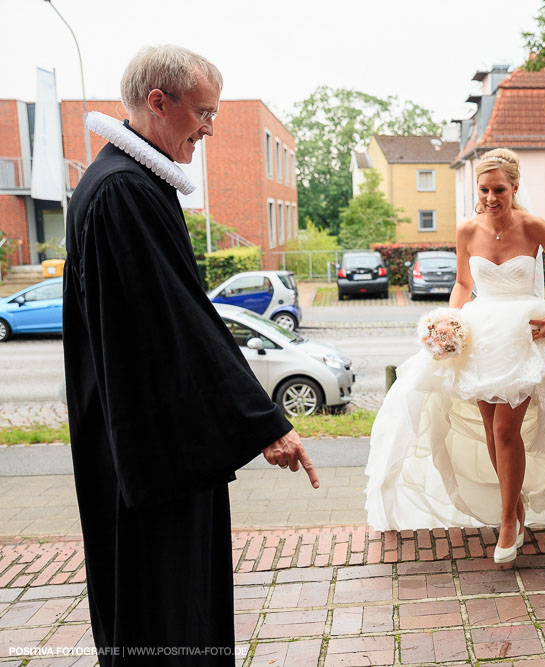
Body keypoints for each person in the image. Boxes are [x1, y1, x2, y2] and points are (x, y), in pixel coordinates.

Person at [63, 45, 319, 664]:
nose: (210, 128)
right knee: (165, 612)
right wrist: (265, 423)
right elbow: (179, 325)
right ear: (159, 102)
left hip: (145, 443)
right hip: (152, 454)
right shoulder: (125, 191)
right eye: (203, 113)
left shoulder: (122, 182)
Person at [365, 148, 545, 562]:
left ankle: (506, 521)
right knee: (490, 429)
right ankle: (515, 507)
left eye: (498, 189)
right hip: (481, 335)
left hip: (525, 335)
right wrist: (448, 322)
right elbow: (464, 285)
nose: (490, 197)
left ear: (515, 187)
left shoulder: (534, 225)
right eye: (483, 189)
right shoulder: (467, 230)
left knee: (506, 430)